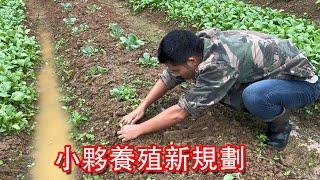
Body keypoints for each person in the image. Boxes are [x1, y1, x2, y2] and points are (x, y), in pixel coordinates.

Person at [117, 28, 320, 150]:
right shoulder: (199, 44)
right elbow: (170, 76)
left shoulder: (219, 64)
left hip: (303, 83)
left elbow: (181, 112)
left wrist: (139, 129)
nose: (175, 73)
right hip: (273, 73)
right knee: (222, 94)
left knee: (253, 97)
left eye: (177, 68)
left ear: (192, 60)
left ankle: (281, 128)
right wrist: (143, 106)